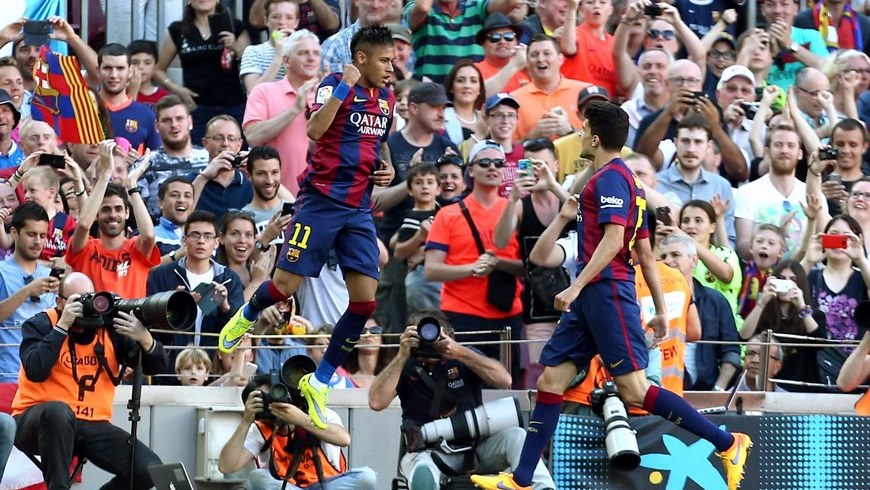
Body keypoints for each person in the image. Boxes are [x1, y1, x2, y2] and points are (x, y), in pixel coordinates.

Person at [471, 101, 751, 490]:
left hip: (608, 294)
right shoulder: (622, 181)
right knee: (552, 381)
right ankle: (521, 479)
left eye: (584, 130)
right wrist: (658, 311)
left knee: (635, 389)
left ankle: (728, 442)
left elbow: (616, 240)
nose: (580, 135)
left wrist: (576, 285)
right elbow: (646, 255)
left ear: (596, 138)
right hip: (597, 296)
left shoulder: (612, 181)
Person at [217, 26, 396, 430]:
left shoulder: (386, 97)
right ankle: (246, 315)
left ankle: (320, 379)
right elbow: (315, 131)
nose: (391, 68)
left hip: (359, 209)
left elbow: (380, 143)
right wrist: (344, 87)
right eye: (384, 60)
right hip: (320, 202)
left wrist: (387, 168)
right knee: (284, 288)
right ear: (361, 59)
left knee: (366, 304)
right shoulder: (333, 84)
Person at [12, 272, 167, 490]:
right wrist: (62, 326)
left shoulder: (109, 329)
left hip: (91, 425)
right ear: (59, 302)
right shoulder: (41, 324)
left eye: (90, 298)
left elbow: (157, 367)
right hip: (35, 422)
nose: (86, 307)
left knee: (149, 469)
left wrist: (145, 338)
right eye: (77, 300)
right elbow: (36, 369)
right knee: (58, 411)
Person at [369, 311, 556, 489]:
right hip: (426, 451)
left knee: (517, 436)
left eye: (436, 338)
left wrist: (458, 352)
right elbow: (376, 402)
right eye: (423, 338)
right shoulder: (405, 365)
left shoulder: (462, 356)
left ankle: (543, 488)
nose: (430, 344)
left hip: (475, 447)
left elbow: (504, 380)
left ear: (449, 336)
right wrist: (401, 355)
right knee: (423, 470)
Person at [424, 139, 525, 380]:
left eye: (499, 163)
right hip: (462, 313)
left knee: (507, 387)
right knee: (463, 386)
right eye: (485, 162)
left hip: (508, 313)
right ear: (471, 170)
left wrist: (497, 263)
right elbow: (431, 270)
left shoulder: (517, 208)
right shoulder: (448, 214)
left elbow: (530, 266)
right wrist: (472, 269)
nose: (492, 168)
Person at [217, 365, 377, 489]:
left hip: (328, 485)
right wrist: (246, 421)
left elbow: (344, 439)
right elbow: (226, 466)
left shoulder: (315, 413)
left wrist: (302, 420)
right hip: (287, 487)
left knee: (367, 477)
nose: (270, 402)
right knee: (256, 477)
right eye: (263, 400)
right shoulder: (261, 428)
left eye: (273, 395)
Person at [146, 210, 244, 381]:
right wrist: (174, 308)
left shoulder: (229, 279)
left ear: (216, 242)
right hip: (168, 370)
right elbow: (150, 323)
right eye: (195, 235)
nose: (201, 241)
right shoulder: (161, 275)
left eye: (208, 236)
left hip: (212, 372)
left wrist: (225, 307)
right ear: (184, 240)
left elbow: (238, 330)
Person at [66, 140, 159, 299]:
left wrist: (132, 185)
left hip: (129, 323)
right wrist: (105, 173)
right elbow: (83, 225)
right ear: (96, 214)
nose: (113, 215)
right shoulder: (86, 248)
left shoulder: (135, 249)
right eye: (106, 209)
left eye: (118, 209)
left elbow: (149, 236)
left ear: (127, 213)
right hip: (93, 323)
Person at [155, 0, 251, 142]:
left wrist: (235, 46)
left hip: (233, 106)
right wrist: (177, 90)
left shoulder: (234, 26)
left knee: (233, 158)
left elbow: (250, 63)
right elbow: (158, 70)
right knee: (199, 158)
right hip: (197, 108)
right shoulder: (178, 30)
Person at [658, 233, 742, 392]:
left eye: (675, 254)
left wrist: (718, 390)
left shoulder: (716, 301)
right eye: (663, 256)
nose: (668, 261)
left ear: (693, 260)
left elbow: (731, 353)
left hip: (709, 394)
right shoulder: (650, 300)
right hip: (663, 394)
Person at [244, 29, 322, 195]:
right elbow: (252, 137)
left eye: (316, 53)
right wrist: (295, 109)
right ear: (286, 60)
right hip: (275, 199)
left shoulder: (327, 96)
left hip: (318, 201)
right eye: (303, 53)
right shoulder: (263, 91)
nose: (311, 58)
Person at [739, 260, 824, 391]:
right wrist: (763, 301)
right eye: (782, 279)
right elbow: (744, 336)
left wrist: (801, 307)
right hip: (766, 385)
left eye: (793, 280)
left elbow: (820, 342)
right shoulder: (763, 312)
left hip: (801, 385)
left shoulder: (813, 315)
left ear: (800, 284)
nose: (787, 284)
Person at [0, 203, 59, 383]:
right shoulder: (1, 271)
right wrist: (27, 291)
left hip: (43, 378)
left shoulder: (51, 275)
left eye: (42, 235)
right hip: (7, 377)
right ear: (15, 234)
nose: (38, 242)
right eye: (31, 234)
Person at [404, 0, 522, 82]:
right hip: (433, 99)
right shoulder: (415, 6)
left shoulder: (476, 7)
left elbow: (512, 2)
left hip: (471, 95)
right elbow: (422, 8)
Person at [140, 95, 211, 216]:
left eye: (179, 119)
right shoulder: (145, 164)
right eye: (167, 120)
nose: (174, 125)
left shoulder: (209, 159)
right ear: (157, 126)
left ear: (190, 122)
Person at [511, 35, 588, 141]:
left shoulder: (585, 92)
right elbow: (507, 151)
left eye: (547, 53)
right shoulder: (513, 99)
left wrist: (569, 131)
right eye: (534, 55)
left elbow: (601, 143)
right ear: (527, 62)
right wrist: (532, 136)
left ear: (560, 59)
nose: (540, 59)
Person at [391, 164, 442, 315]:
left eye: (430, 182)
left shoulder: (445, 213)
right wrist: (420, 236)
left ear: (438, 189)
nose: (425, 187)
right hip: (422, 276)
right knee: (429, 319)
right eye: (419, 182)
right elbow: (399, 252)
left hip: (445, 274)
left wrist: (426, 251)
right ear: (410, 190)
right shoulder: (411, 218)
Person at [97, 43, 162, 154]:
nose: (114, 75)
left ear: (130, 71)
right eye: (107, 68)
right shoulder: (84, 108)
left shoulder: (146, 115)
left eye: (120, 68)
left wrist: (139, 163)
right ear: (98, 70)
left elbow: (156, 163)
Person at [191, 115, 254, 221]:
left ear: (239, 145)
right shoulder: (192, 181)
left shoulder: (250, 183)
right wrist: (203, 177)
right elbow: (180, 218)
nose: (225, 144)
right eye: (218, 138)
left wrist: (257, 168)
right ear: (205, 143)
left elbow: (287, 204)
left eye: (231, 139)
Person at [240, 0, 302, 94]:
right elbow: (252, 92)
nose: (282, 22)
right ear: (266, 21)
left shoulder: (305, 52)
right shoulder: (253, 52)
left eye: (289, 18)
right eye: (275, 17)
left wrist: (293, 52)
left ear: (296, 22)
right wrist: (278, 58)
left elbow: (305, 90)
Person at [154, 176, 195, 263]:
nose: (181, 200)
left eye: (187, 196)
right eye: (174, 195)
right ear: (161, 203)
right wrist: (177, 255)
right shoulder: (149, 236)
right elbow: (143, 270)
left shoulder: (205, 237)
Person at [128, 40, 170, 112]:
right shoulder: (121, 94)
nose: (141, 67)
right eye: (135, 63)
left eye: (147, 63)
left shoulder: (164, 97)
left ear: (155, 67)